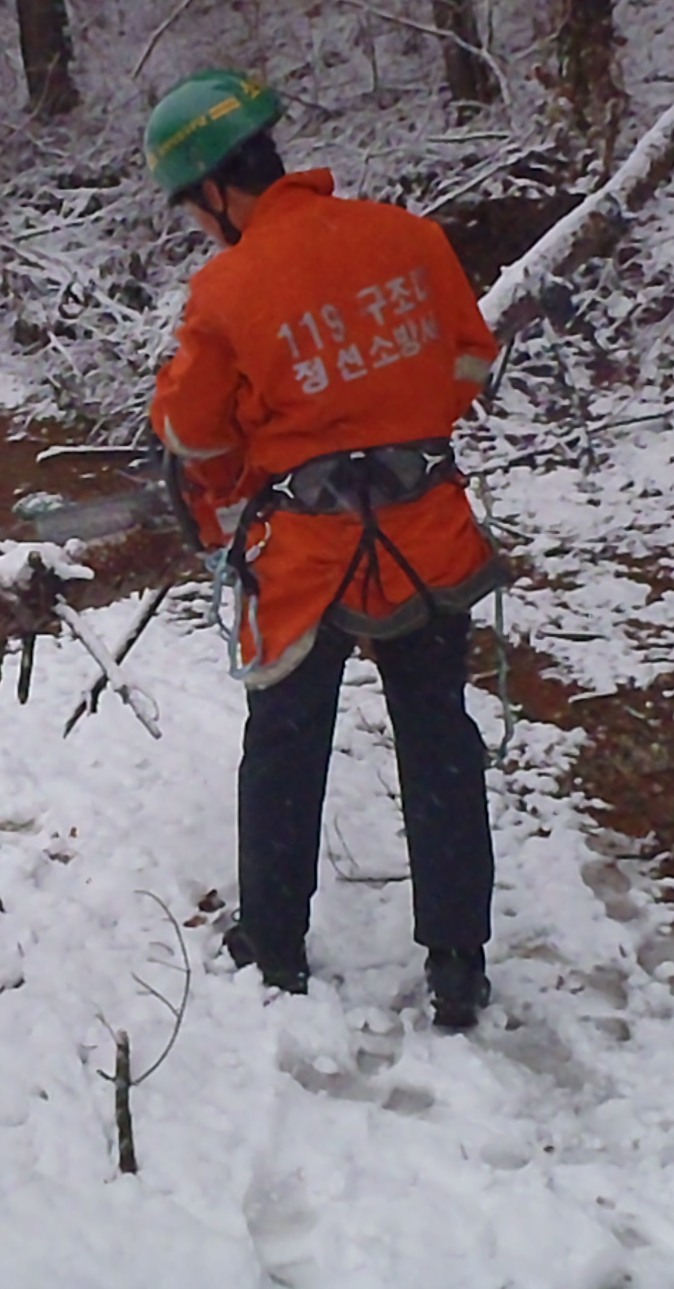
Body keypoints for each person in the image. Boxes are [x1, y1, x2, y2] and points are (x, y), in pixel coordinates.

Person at [143, 69, 508, 1030]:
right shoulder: (408, 236)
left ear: (215, 189)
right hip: (427, 530)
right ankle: (458, 962)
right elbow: (472, 359)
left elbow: (193, 430)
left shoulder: (228, 287)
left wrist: (245, 471)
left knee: (285, 744)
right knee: (438, 738)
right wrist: (396, 412)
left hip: (306, 557)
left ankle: (273, 943)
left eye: (193, 208)